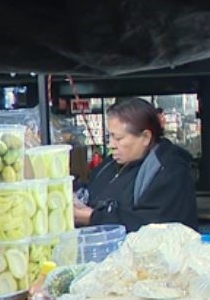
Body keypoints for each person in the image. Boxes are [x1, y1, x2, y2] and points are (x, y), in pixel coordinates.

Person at [74, 98, 198, 232]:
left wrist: (92, 218)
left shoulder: (171, 171)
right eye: (110, 137)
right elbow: (91, 189)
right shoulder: (110, 164)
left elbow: (153, 226)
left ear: (145, 137)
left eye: (118, 138)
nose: (111, 145)